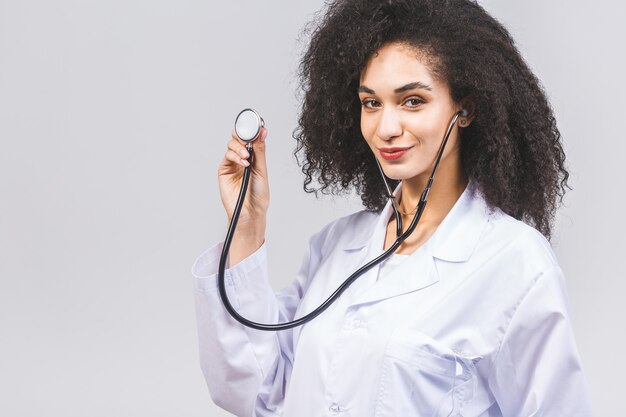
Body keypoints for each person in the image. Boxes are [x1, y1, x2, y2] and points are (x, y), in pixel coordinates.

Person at [192, 0, 593, 416]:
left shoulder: (515, 263)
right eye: (371, 103)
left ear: (466, 109)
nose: (385, 128)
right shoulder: (336, 245)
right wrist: (247, 225)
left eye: (413, 101)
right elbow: (256, 391)